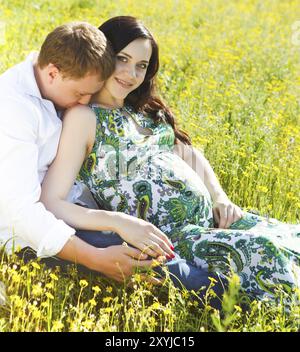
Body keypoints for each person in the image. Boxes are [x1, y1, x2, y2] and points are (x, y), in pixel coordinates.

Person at [41, 16, 300, 302]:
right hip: (174, 238)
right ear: (103, 56)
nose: (131, 74)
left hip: (212, 221)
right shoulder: (85, 118)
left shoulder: (141, 108)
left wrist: (220, 198)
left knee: (292, 239)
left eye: (141, 65)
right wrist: (119, 223)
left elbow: (187, 152)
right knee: (269, 252)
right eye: (122, 59)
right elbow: (52, 201)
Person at [0, 21, 227, 309]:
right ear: (53, 73)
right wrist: (95, 257)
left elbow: (184, 149)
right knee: (152, 264)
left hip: (82, 210)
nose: (85, 102)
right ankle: (227, 299)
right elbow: (23, 213)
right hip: (35, 227)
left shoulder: (56, 69)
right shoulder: (13, 110)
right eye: (81, 94)